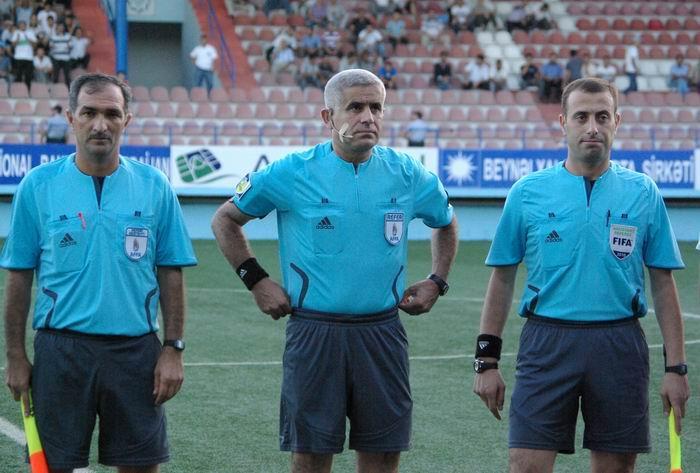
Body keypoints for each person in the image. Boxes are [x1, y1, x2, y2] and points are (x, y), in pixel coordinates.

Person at [211, 69, 458, 473]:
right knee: (311, 454)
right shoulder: (292, 172)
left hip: (382, 331)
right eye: (355, 107)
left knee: (383, 453)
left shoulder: (408, 173)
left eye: (376, 107)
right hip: (314, 332)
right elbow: (225, 219)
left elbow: (445, 221)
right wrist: (255, 280)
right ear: (328, 117)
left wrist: (437, 280)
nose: (368, 117)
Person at [473, 77, 690, 473]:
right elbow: (502, 279)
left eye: (602, 116)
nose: (592, 127)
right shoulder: (527, 192)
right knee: (526, 466)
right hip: (547, 343)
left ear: (616, 122)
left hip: (619, 344)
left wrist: (676, 369)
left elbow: (663, 284)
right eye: (582, 117)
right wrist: (486, 360)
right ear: (563, 122)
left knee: (615, 468)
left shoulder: (643, 192)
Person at [1, 73, 197, 471]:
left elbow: (171, 272)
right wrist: (16, 356)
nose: (100, 124)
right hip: (61, 351)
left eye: (112, 114)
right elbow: (19, 276)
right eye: (89, 113)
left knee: (140, 466)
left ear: (127, 120)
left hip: (135, 353)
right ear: (71, 118)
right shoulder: (38, 186)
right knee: (53, 466)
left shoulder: (155, 185)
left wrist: (173, 349)